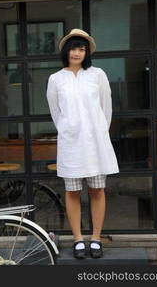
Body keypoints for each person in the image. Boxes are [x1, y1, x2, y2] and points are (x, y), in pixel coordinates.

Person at [46, 29, 119, 259]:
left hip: (96, 143)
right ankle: (78, 238)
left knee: (97, 189)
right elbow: (56, 113)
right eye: (73, 48)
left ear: (86, 52)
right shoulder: (56, 79)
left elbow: (106, 108)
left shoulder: (97, 74)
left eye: (81, 49)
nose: (77, 53)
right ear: (65, 51)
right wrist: (70, 130)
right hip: (71, 145)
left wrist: (98, 131)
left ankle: (96, 237)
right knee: (72, 191)